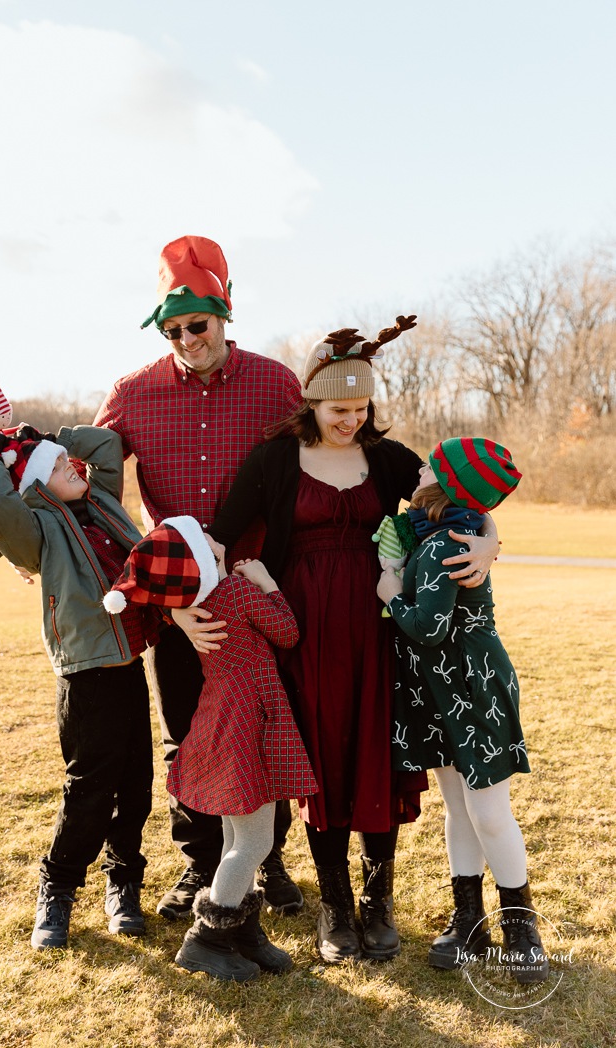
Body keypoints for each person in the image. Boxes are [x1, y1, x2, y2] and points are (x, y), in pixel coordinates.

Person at [202, 324, 501, 964]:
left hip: (377, 629)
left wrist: (490, 539)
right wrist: (184, 606)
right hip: (303, 634)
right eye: (340, 410)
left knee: (376, 752)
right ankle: (335, 909)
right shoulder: (276, 460)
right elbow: (220, 536)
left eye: (362, 409)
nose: (353, 420)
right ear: (311, 402)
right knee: (325, 761)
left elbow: (452, 493)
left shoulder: (386, 458)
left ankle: (377, 902)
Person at [94, 235, 304, 919]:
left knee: (271, 724)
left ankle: (267, 862)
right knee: (188, 733)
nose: (187, 338)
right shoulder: (132, 393)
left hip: (258, 590)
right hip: (181, 605)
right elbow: (93, 492)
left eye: (198, 324)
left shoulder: (276, 383)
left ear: (224, 315)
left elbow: (327, 466)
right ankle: (201, 865)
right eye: (174, 327)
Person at [103, 516, 318, 981]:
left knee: (234, 837)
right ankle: (207, 938)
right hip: (248, 722)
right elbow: (287, 632)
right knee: (255, 841)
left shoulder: (197, 603)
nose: (209, 529)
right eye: (201, 537)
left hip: (221, 720)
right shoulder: (239, 594)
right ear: (204, 558)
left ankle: (243, 932)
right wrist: (268, 582)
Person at [0, 425, 155, 950]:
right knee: (90, 790)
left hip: (129, 666)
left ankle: (124, 884)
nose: (71, 464)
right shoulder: (35, 528)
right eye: (54, 465)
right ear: (33, 485)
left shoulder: (100, 503)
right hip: (85, 674)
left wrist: (46, 437)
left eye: (65, 461)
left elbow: (103, 446)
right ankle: (59, 886)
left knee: (136, 786)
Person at [376, 437, 549, 984]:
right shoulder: (444, 531)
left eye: (431, 462)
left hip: (469, 690)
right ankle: (469, 922)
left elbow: (429, 627)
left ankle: (522, 930)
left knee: (490, 811)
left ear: (449, 483)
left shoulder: (447, 540)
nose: (419, 465)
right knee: (459, 807)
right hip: (444, 693)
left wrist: (389, 593)